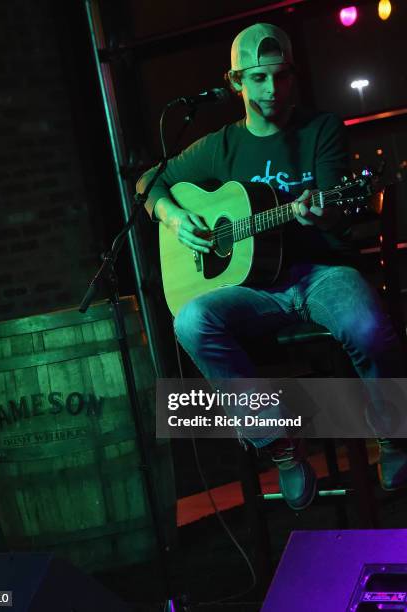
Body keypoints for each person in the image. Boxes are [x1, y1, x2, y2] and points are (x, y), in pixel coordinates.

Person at [136, 23, 407, 510]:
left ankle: (394, 434)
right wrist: (175, 218)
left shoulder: (321, 129)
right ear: (235, 81)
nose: (271, 89)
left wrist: (324, 209)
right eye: (258, 78)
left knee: (365, 324)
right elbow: (149, 184)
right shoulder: (220, 145)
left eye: (281, 77)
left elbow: (340, 214)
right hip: (255, 288)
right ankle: (277, 443)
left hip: (322, 272)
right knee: (192, 321)